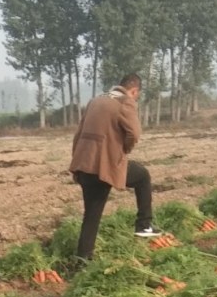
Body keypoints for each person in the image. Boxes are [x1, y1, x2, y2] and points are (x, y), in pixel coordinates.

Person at [69, 73, 161, 264]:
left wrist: (76, 164)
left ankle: (82, 260)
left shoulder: (96, 101)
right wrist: (124, 149)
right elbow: (134, 133)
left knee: (92, 214)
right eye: (137, 94)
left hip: (84, 164)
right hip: (105, 165)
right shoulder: (124, 103)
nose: (135, 98)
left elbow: (78, 134)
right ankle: (144, 225)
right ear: (134, 90)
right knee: (142, 176)